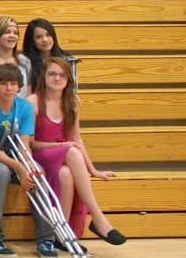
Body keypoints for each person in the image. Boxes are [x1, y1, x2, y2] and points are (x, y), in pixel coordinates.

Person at [28, 57, 125, 245]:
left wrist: (93, 170)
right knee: (72, 151)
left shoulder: (72, 101)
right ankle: (98, 218)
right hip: (42, 155)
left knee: (66, 174)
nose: (57, 78)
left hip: (65, 155)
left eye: (62, 75)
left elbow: (76, 139)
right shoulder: (33, 101)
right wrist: (61, 146)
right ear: (44, 77)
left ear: (68, 79)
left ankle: (62, 234)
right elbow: (31, 143)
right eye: (52, 74)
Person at [0, 63, 53, 258]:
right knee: (1, 172)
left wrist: (27, 166)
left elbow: (24, 147)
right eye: (3, 83)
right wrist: (17, 167)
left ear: (19, 87)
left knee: (37, 172)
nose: (9, 88)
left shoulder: (25, 107)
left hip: (15, 155)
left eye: (13, 84)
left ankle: (46, 239)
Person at [23, 18, 77, 86]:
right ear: (32, 41)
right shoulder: (25, 61)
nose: (45, 40)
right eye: (39, 37)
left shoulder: (68, 59)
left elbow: (73, 90)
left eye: (48, 35)